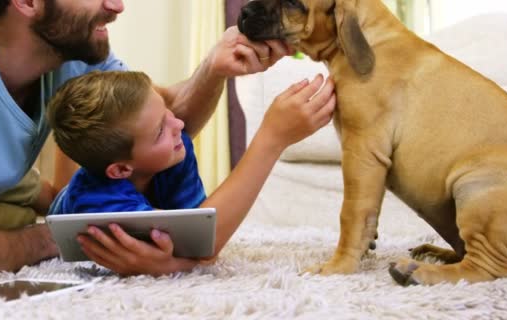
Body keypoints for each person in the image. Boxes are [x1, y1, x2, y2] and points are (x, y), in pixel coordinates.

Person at [0, 0, 299, 282]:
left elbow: (153, 123)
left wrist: (215, 66)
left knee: (29, 199)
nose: (117, 5)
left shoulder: (71, 54)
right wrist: (67, 235)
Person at [46, 70, 336, 276]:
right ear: (121, 169)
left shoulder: (175, 151)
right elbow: (200, 252)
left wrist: (182, 259)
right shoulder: (98, 202)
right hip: (68, 214)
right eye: (160, 130)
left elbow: (199, 234)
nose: (179, 126)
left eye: (167, 112)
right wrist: (271, 138)